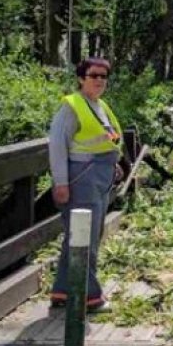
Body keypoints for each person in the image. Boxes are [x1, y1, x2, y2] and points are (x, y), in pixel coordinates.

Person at [48, 57, 124, 312]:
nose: (100, 80)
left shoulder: (100, 105)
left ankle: (62, 291)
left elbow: (106, 139)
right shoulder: (71, 107)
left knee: (83, 236)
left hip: (99, 177)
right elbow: (57, 146)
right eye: (94, 75)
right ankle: (90, 297)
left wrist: (115, 163)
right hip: (82, 178)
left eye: (104, 76)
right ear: (81, 78)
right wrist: (61, 183)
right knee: (85, 238)